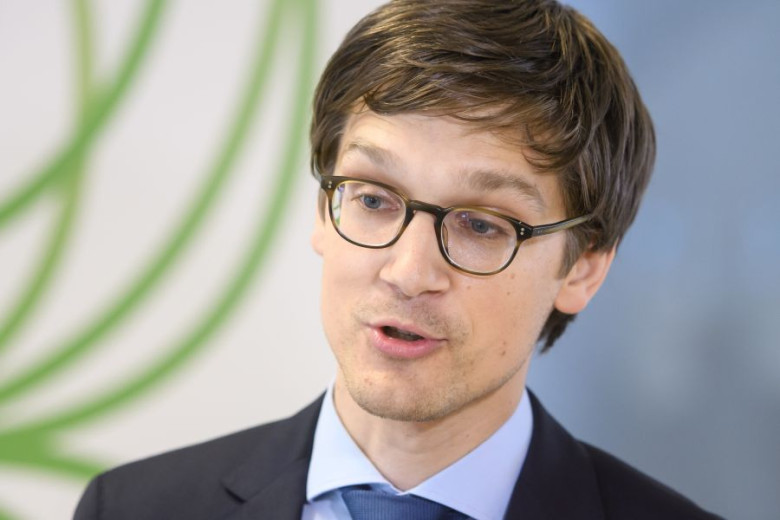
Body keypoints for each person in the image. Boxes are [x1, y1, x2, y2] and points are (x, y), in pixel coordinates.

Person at [74, 1, 722, 518]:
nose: (408, 272)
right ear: (323, 212)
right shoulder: (133, 508)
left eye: (480, 225)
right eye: (375, 199)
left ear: (583, 267)